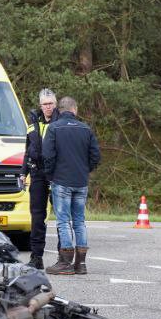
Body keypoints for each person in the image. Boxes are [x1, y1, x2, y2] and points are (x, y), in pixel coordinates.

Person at [41, 96, 101, 275]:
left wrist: (51, 175)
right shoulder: (86, 129)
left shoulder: (54, 128)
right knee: (79, 221)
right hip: (81, 181)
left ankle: (65, 262)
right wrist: (85, 170)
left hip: (61, 180)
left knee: (63, 221)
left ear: (60, 110)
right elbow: (96, 156)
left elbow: (47, 155)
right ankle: (81, 264)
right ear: (75, 110)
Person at [22, 89, 59, 269]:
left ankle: (63, 256)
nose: (48, 107)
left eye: (50, 103)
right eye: (45, 104)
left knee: (61, 216)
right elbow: (27, 149)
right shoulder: (33, 122)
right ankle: (36, 257)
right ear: (40, 105)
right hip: (36, 173)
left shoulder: (60, 122)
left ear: (55, 104)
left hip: (56, 174)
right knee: (37, 216)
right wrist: (23, 172)